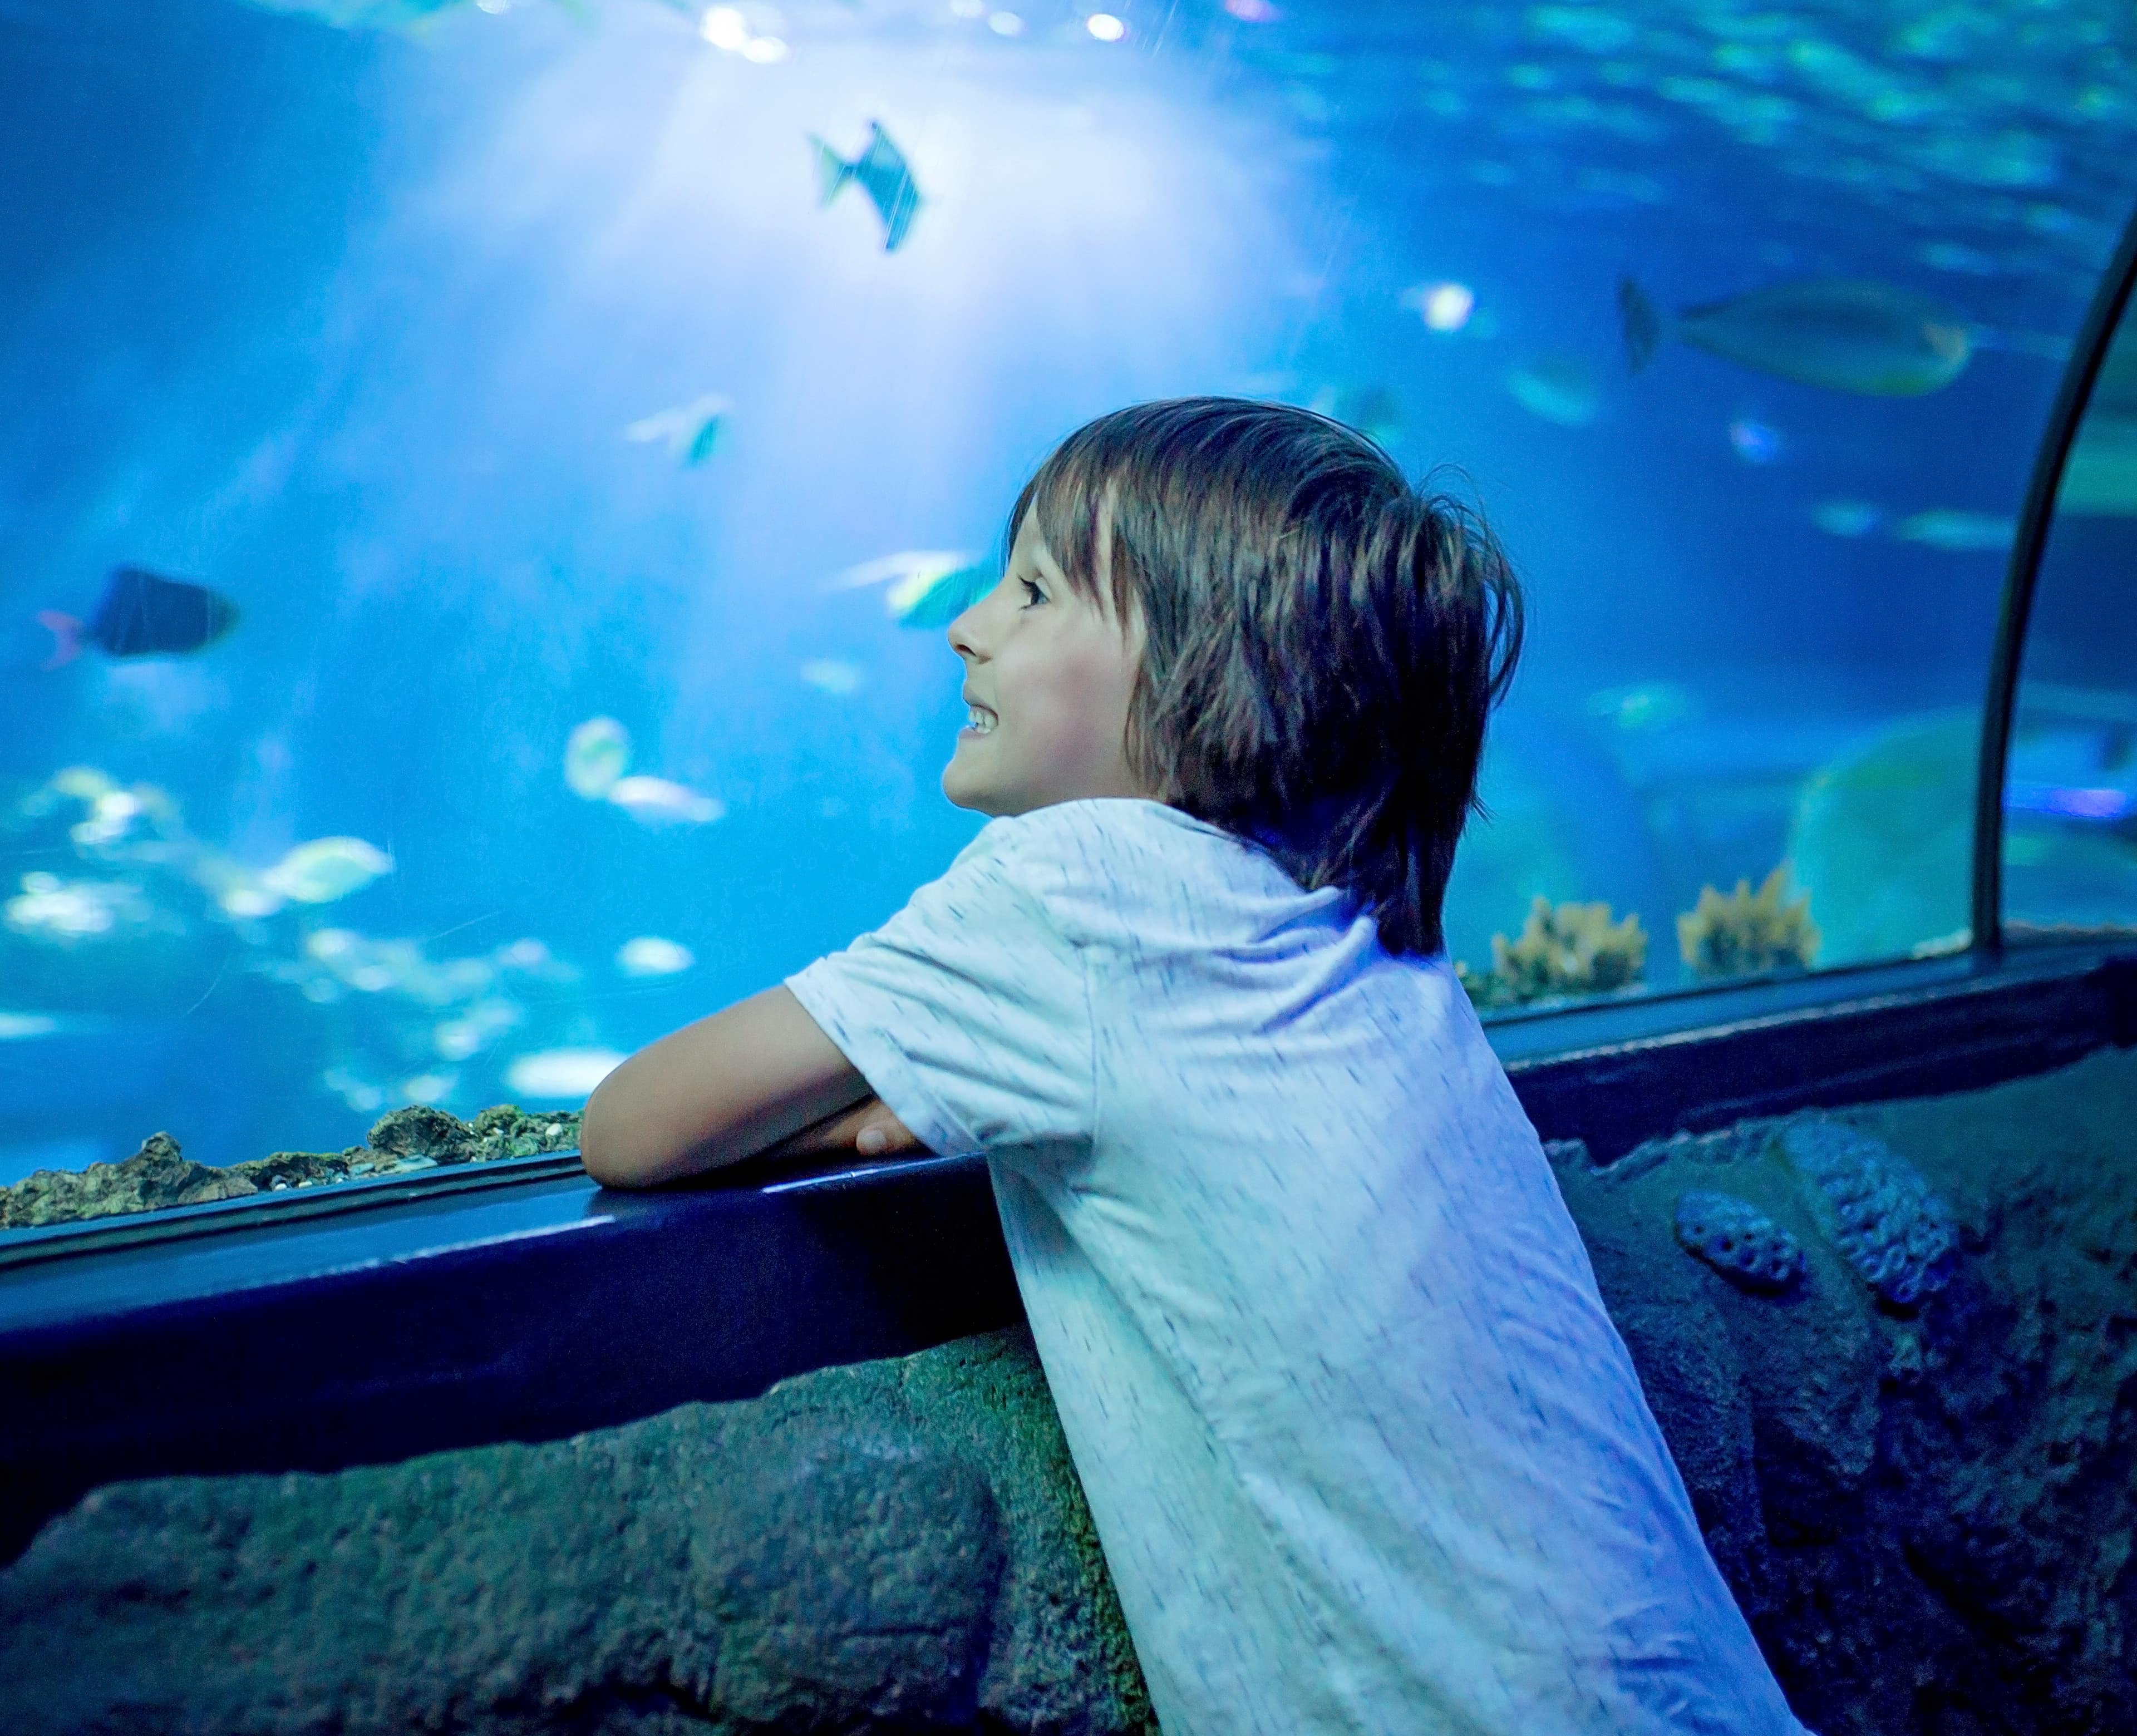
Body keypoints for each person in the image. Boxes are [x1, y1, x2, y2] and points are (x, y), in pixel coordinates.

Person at [580, 397, 1809, 1735]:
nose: (970, 624)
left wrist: (872, 1107)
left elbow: (632, 1129)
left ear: (1216, 676)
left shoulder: (1079, 887)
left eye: (1036, 589)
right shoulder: (1362, 930)